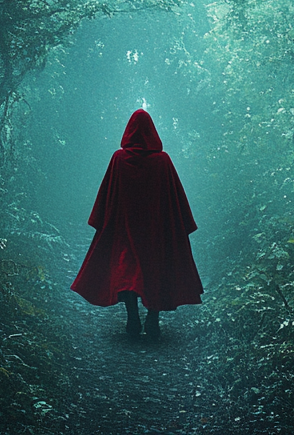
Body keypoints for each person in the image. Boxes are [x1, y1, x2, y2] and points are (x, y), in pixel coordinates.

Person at [71, 109, 204, 337]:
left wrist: (105, 222)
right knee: (155, 269)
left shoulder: (119, 159)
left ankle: (133, 318)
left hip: (125, 230)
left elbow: (107, 196)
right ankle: (152, 319)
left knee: (127, 274)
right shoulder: (162, 162)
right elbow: (175, 199)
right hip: (155, 231)